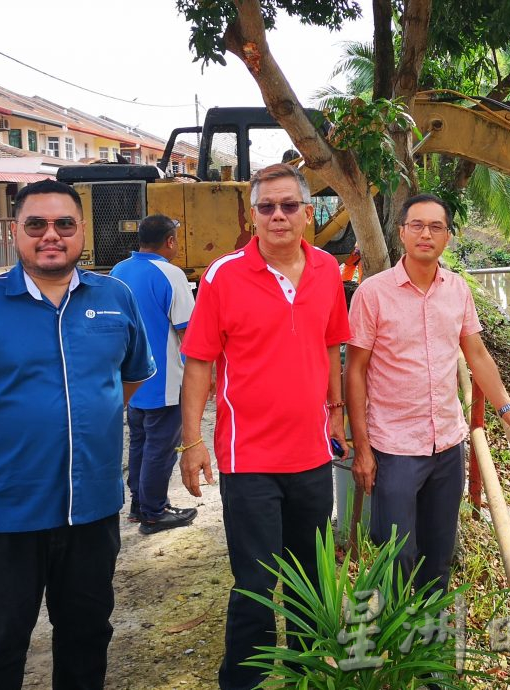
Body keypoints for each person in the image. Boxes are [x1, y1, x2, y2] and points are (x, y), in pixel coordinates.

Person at [0, 179, 156, 689]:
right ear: (15, 230)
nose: (51, 235)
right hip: (5, 512)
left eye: (64, 224)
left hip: (92, 511)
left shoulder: (115, 297)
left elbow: (126, 381)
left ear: (81, 230)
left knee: (86, 640)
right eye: (36, 224)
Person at [178, 163, 350, 690]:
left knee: (311, 581)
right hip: (248, 459)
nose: (279, 216)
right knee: (255, 583)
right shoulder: (223, 276)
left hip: (312, 458)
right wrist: (191, 443)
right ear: (253, 216)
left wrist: (337, 410)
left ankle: (307, 676)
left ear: (308, 213)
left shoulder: (326, 271)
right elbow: (200, 363)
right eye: (267, 207)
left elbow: (330, 345)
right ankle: (245, 681)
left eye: (289, 206)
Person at [346, 193, 510, 596]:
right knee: (397, 554)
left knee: (437, 556)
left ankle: (428, 646)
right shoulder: (373, 293)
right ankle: (397, 641)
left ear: (447, 237)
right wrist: (362, 447)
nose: (426, 234)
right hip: (394, 447)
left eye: (436, 227)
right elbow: (354, 371)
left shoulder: (457, 290)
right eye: (417, 226)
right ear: (402, 232)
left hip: (447, 444)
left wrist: (509, 413)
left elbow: (476, 354)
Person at [110, 214, 198, 534]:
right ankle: (153, 512)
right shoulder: (171, 274)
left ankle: (138, 503)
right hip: (164, 381)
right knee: (160, 449)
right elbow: (188, 333)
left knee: (140, 443)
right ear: (170, 241)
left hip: (132, 381)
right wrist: (199, 377)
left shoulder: (119, 271)